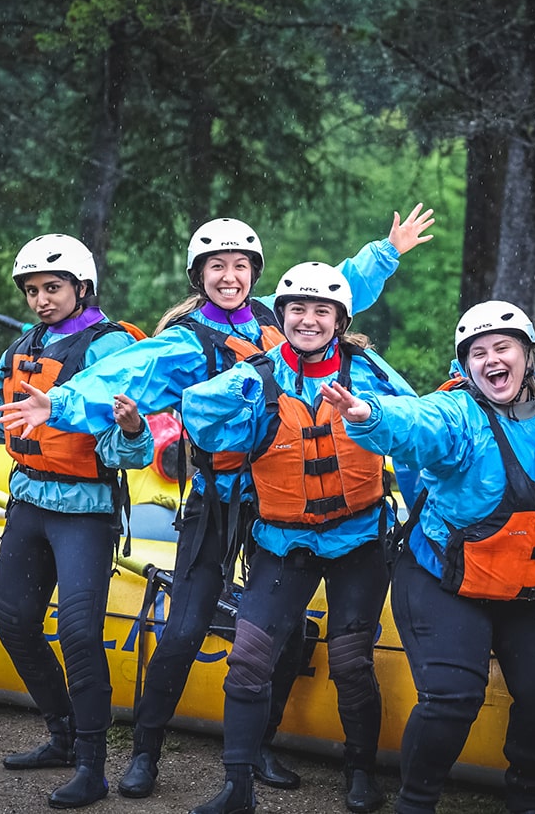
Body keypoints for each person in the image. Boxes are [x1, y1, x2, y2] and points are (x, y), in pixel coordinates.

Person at [0, 208, 435, 801]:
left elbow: (336, 292)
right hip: (214, 499)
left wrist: (387, 251)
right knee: (183, 630)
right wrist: (65, 405)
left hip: (272, 505)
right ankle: (145, 753)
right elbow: (130, 370)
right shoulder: (183, 339)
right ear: (197, 274)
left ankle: (258, 752)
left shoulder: (275, 320)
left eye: (239, 266)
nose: (228, 277)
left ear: (255, 272)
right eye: (215, 267)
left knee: (272, 633)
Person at [323, 301, 535, 814]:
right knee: (453, 697)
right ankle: (415, 802)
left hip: (534, 587)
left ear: (529, 356)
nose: (491, 360)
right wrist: (369, 415)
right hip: (446, 582)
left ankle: (529, 797)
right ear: (465, 368)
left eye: (502, 347)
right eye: (478, 353)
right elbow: (416, 421)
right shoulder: (458, 413)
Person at [180, 261, 417, 814]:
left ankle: (360, 772)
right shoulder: (256, 375)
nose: (308, 320)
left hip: (358, 540)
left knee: (353, 661)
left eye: (321, 311)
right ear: (280, 315)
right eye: (297, 310)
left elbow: (413, 427)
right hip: (282, 541)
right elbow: (202, 417)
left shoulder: (368, 371)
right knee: (248, 661)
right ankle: (237, 784)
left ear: (339, 319)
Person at [0, 233, 154, 810]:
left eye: (52, 288)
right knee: (15, 624)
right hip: (30, 504)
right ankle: (59, 735)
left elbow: (133, 448)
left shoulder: (112, 348)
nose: (40, 299)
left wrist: (132, 431)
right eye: (32, 290)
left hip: (85, 511)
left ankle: (92, 765)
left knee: (79, 633)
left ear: (83, 288)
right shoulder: (24, 347)